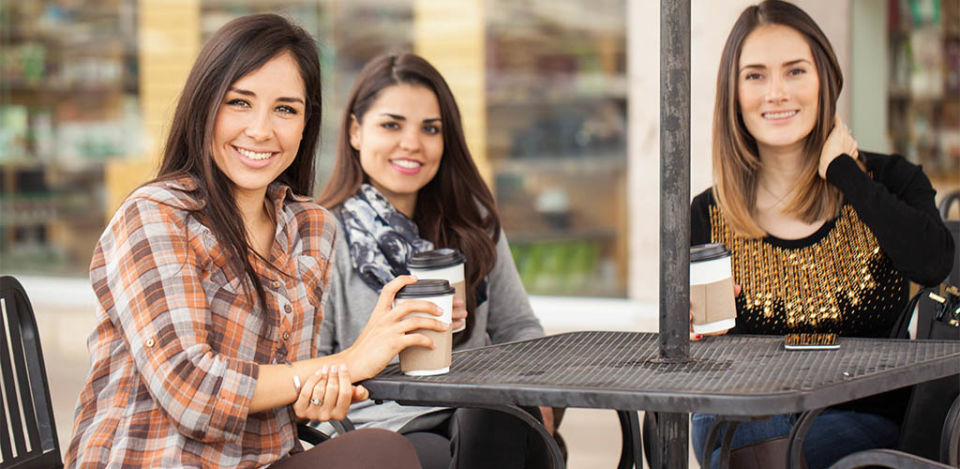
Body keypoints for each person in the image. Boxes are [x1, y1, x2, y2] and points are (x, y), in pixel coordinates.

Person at [64, 14, 444, 468]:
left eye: (286, 109)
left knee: (395, 449)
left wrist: (319, 393)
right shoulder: (155, 216)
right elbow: (191, 392)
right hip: (155, 460)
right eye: (239, 102)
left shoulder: (311, 228)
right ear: (205, 105)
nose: (261, 130)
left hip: (263, 460)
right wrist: (347, 363)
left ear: (306, 124)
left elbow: (286, 387)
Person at [689, 1, 955, 468]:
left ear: (824, 80)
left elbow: (933, 262)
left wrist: (843, 173)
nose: (775, 92)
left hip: (861, 417)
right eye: (754, 75)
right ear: (732, 92)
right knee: (755, 428)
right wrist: (689, 324)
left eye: (795, 71)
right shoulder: (707, 213)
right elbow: (703, 355)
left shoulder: (891, 182)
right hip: (746, 408)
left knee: (787, 450)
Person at [316, 53, 554, 469]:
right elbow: (313, 364)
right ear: (355, 131)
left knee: (493, 410)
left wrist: (541, 400)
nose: (412, 143)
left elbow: (519, 330)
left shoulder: (474, 224)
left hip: (484, 412)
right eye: (391, 125)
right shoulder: (324, 236)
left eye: (430, 129)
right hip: (386, 427)